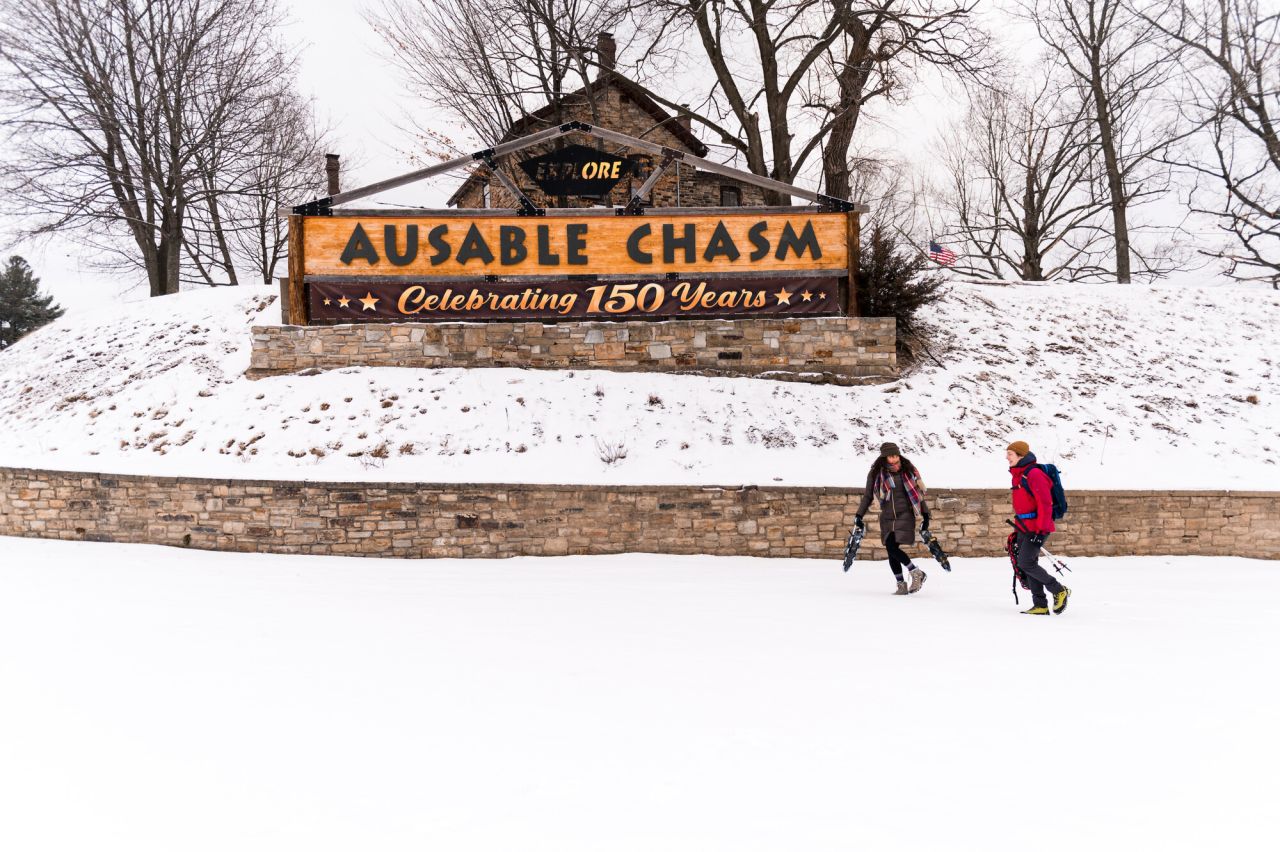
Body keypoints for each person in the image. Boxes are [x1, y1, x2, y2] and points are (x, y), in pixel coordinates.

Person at [854, 442, 932, 595]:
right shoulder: (876, 473)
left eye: (896, 455)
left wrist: (926, 514)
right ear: (884, 457)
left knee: (891, 546)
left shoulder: (908, 470)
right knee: (891, 551)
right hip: (888, 516)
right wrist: (859, 515)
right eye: (891, 456)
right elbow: (868, 496)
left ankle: (915, 572)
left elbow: (919, 495)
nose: (894, 458)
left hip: (905, 514)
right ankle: (901, 584)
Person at [1007, 440, 1071, 615]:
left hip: (1037, 527)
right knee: (1029, 564)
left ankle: (1058, 590)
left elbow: (1045, 503)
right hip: (1023, 526)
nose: (1007, 458)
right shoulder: (1018, 474)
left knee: (1026, 562)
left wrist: (1041, 530)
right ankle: (1040, 605)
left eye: (1010, 454)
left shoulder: (1034, 474)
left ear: (1020, 455)